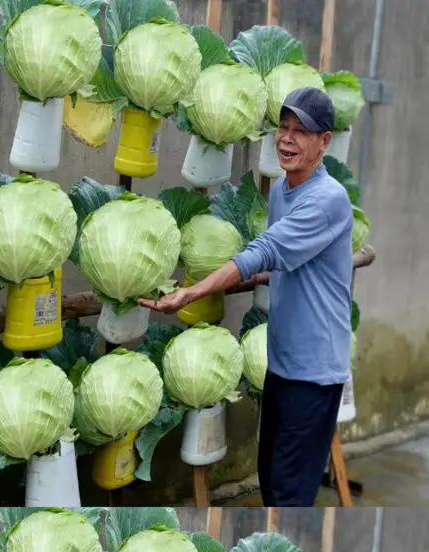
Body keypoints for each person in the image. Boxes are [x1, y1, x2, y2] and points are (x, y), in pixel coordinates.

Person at [140, 88, 354, 507]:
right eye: (284, 128)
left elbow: (267, 250)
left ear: (324, 142)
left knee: (290, 493)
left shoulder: (328, 201)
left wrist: (194, 292)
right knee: (272, 480)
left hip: (314, 373)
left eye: (302, 132)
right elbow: (276, 263)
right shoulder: (280, 191)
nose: (287, 139)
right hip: (283, 363)